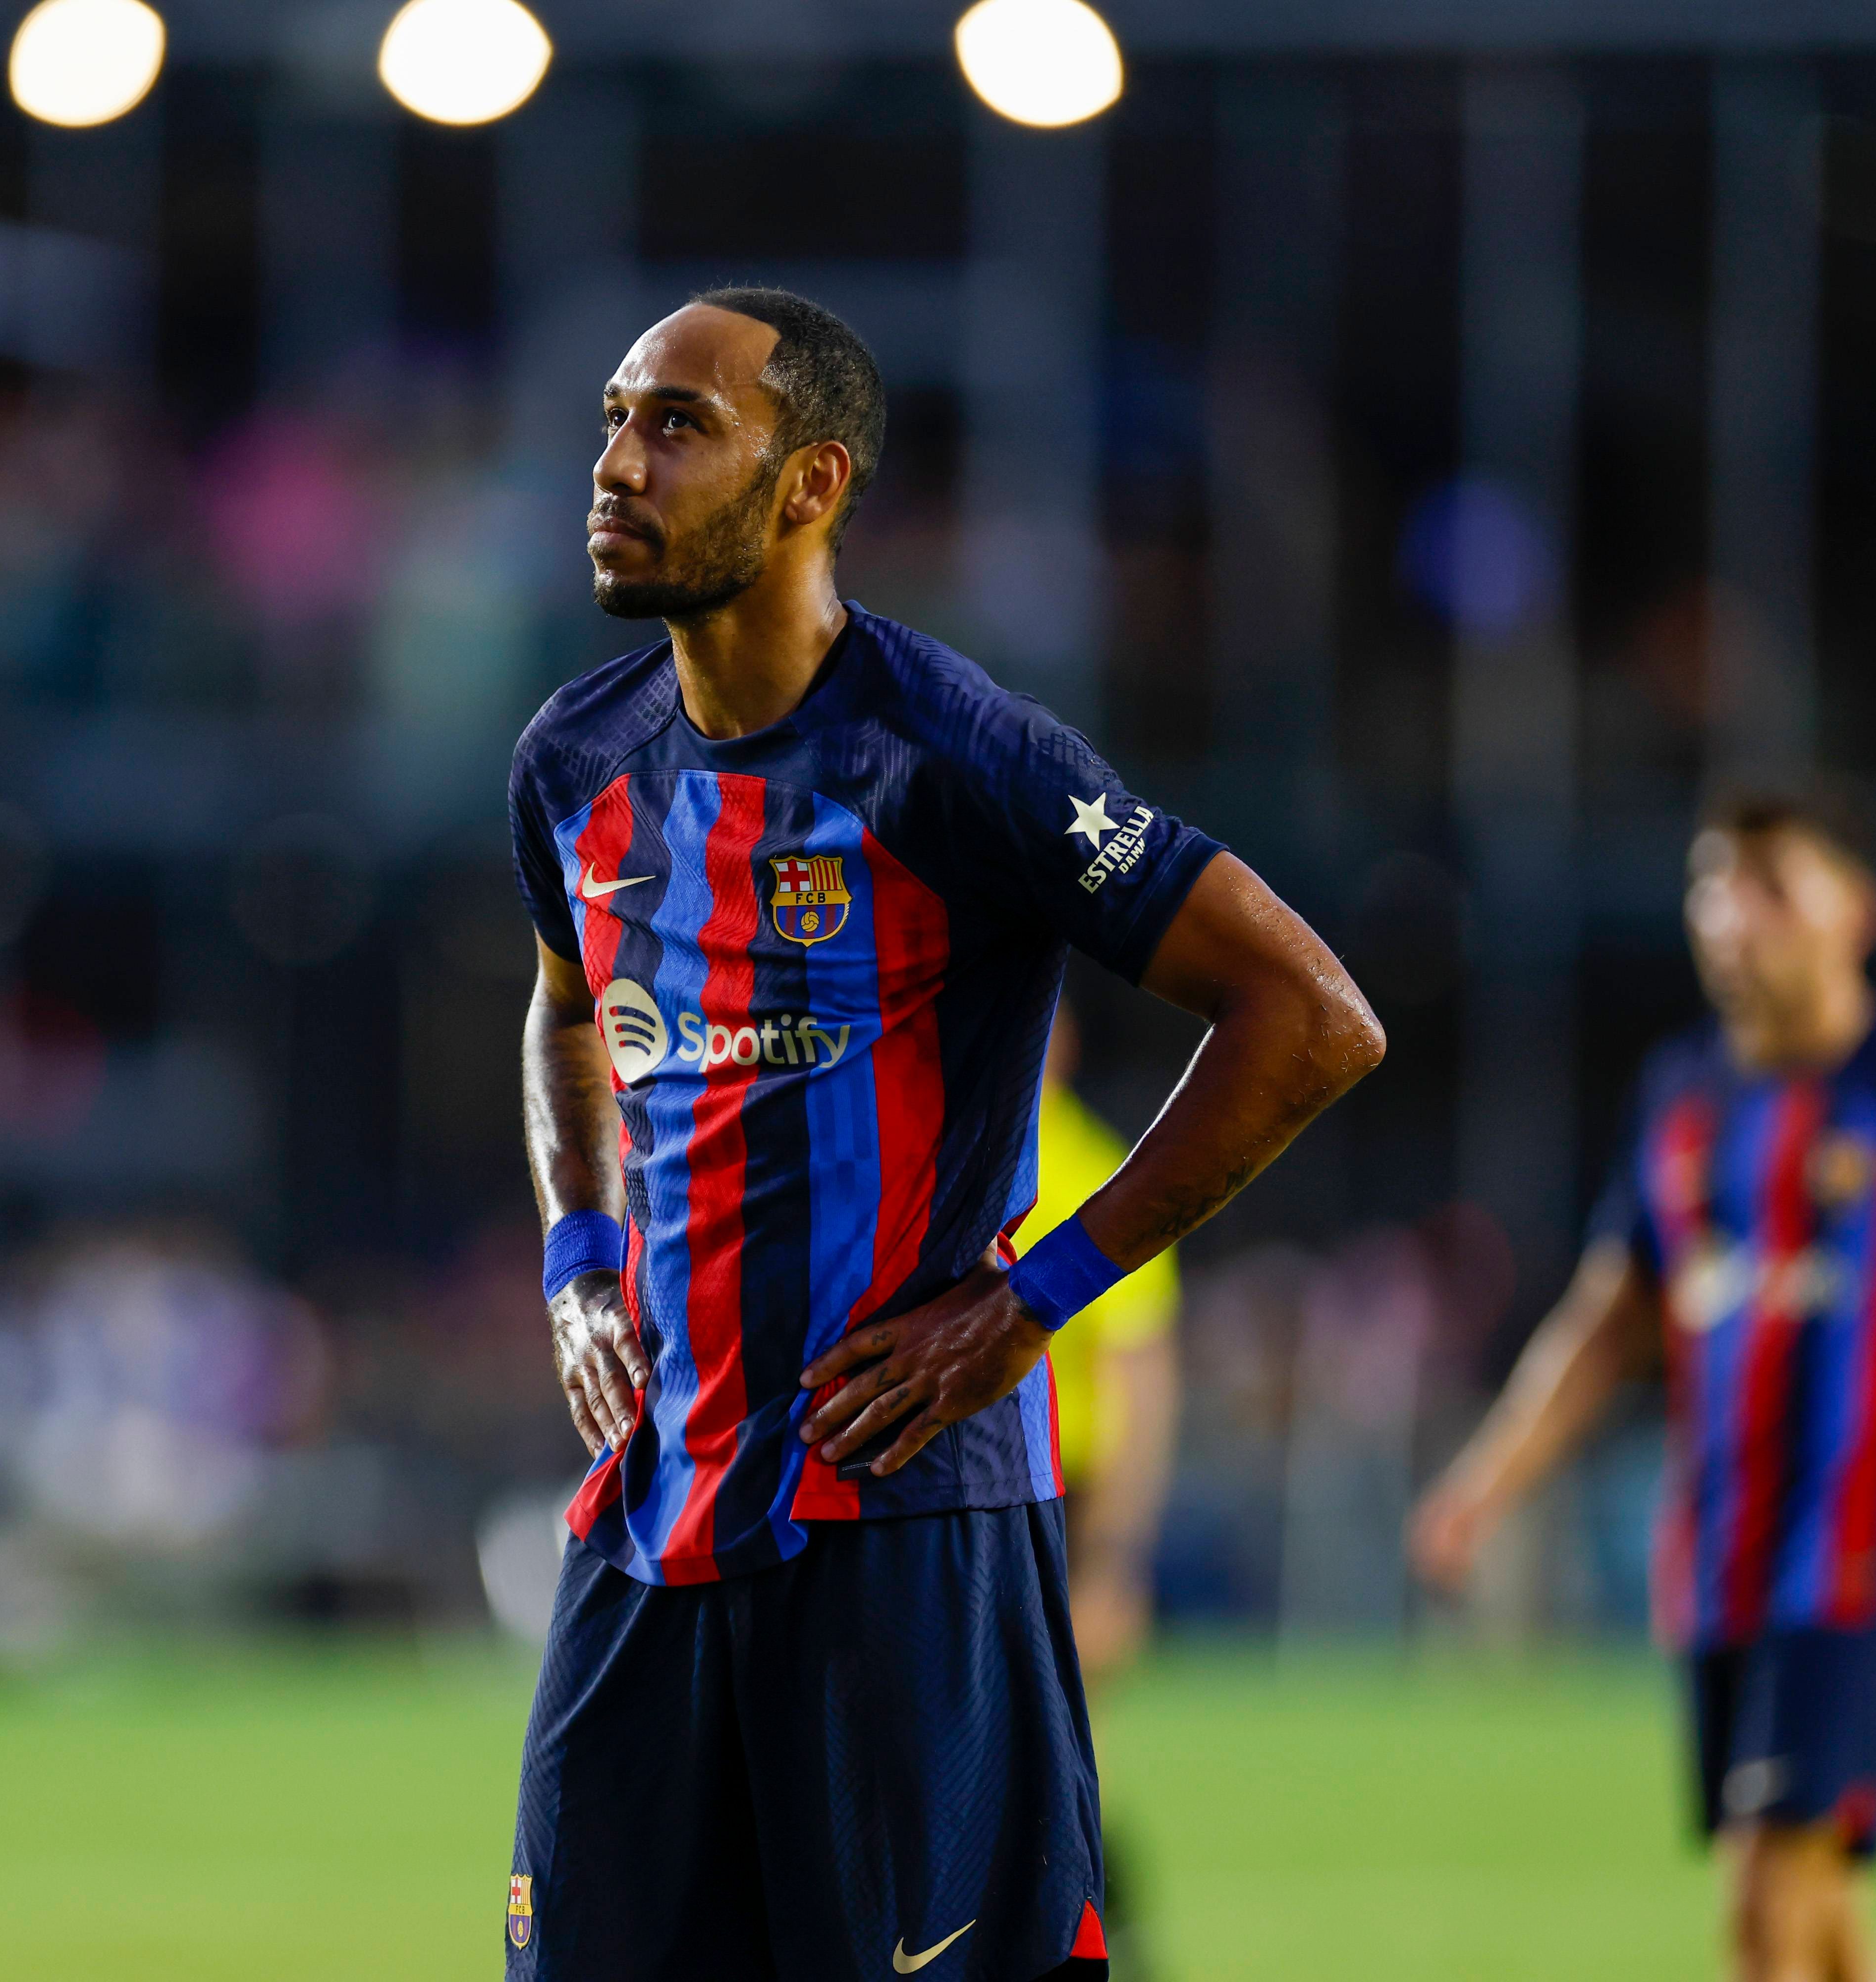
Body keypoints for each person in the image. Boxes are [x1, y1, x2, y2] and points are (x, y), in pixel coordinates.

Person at [506, 288, 1383, 1982]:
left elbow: (1310, 1017)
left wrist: (1035, 1297)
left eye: (679, 427)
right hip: (651, 1514)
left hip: (898, 1532)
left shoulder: (955, 757)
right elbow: (560, 1014)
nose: (619, 464)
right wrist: (577, 1254)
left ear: (812, 484)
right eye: (616, 420)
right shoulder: (575, 759)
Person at [1408, 793, 1876, 1982]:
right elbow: (1608, 1320)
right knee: (1828, 1922)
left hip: (1852, 1560)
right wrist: (1484, 1483)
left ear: (1855, 910)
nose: (1731, 919)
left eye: (1770, 888)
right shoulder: (1681, 1094)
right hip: (1717, 1562)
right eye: (1714, 887)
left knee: (1767, 1910)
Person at [1025, 1004, 1184, 1982]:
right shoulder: (931, 1141)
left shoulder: (1093, 1169)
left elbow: (1140, 1375)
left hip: (1058, 1498)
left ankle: (1105, 1935)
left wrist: (1114, 1558)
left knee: (1048, 1751)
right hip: (964, 1486)